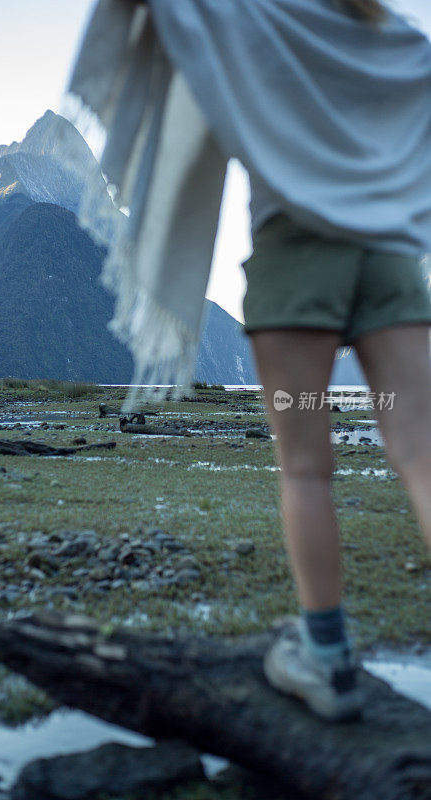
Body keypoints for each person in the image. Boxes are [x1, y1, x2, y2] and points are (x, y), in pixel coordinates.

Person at [70, 0, 431, 720]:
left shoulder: (252, 14)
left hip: (296, 254)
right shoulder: (383, 31)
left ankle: (325, 659)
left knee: (304, 466)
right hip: (391, 258)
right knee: (422, 455)